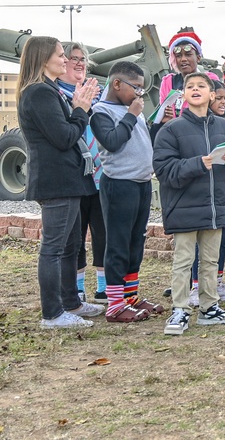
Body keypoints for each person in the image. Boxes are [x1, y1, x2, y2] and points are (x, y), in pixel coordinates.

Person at [18, 36, 105, 329]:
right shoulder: (39, 93)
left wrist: (79, 108)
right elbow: (65, 137)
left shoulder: (49, 89)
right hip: (57, 181)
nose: (66, 60)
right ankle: (53, 314)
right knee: (54, 248)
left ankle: (71, 303)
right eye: (60, 55)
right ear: (43, 58)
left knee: (71, 245)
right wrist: (80, 109)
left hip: (67, 180)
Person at [153, 72, 225, 335]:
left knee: (210, 261)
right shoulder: (171, 129)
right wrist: (197, 164)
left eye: (201, 86)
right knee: (183, 261)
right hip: (184, 206)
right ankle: (180, 310)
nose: (195, 89)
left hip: (216, 207)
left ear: (212, 94)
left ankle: (209, 308)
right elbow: (163, 170)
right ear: (183, 95)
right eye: (190, 86)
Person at [91, 60, 166, 322]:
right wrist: (132, 114)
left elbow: (142, 140)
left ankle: (130, 297)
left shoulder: (132, 109)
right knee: (118, 243)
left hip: (141, 182)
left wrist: (158, 123)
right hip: (119, 184)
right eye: (136, 87)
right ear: (117, 84)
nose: (139, 94)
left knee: (136, 242)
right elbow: (112, 142)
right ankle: (114, 304)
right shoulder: (100, 111)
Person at [57, 41, 106, 304]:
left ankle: (103, 286)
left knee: (103, 231)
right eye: (73, 58)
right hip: (73, 174)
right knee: (74, 236)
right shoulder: (55, 94)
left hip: (101, 174)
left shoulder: (98, 94)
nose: (79, 63)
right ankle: (76, 287)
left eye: (82, 59)